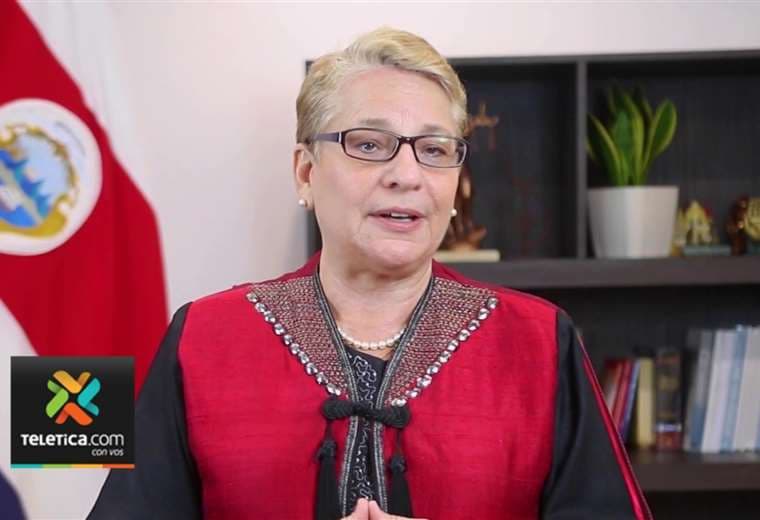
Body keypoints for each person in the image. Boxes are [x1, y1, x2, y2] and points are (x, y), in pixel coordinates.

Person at [88, 27, 651, 520]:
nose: (407, 174)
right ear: (305, 172)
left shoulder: (537, 341)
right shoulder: (204, 337)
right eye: (369, 144)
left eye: (434, 150)